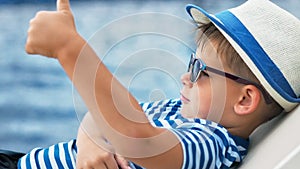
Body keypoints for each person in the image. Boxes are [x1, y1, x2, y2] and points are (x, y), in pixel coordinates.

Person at [17, 0, 300, 168]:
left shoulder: (212, 144)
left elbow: (138, 139)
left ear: (244, 101)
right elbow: (105, 114)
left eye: (200, 70)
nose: (185, 76)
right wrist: (89, 140)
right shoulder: (179, 109)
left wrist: (69, 49)